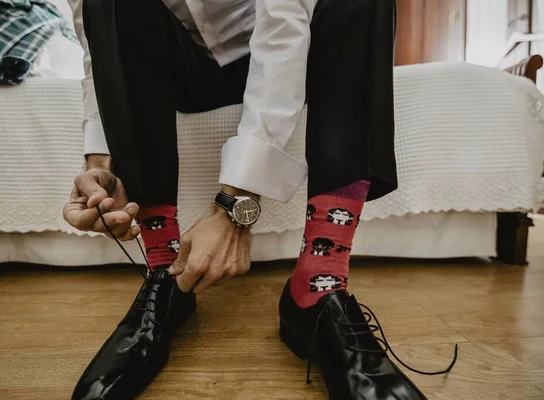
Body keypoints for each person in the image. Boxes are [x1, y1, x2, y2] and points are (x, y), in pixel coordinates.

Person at [63, 0, 456, 399]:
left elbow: (283, 26)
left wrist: (236, 203)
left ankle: (317, 286)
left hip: (290, 47)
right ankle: (167, 275)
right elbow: (99, 48)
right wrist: (100, 159)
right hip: (183, 64)